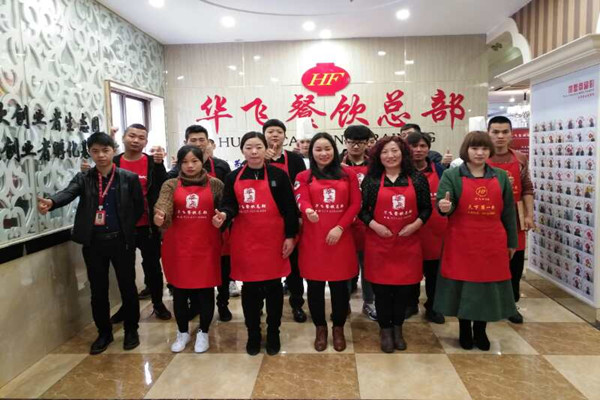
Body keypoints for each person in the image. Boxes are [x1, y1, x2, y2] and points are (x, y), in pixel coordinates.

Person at [37, 132, 144, 354]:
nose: (101, 155)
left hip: (121, 242)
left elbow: (138, 208)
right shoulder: (83, 178)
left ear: (113, 151)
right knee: (98, 290)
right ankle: (104, 333)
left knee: (128, 287)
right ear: (90, 153)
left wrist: (126, 229)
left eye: (105, 150)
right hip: (94, 243)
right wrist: (52, 202)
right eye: (95, 151)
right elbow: (68, 193)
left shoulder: (128, 178)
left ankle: (131, 330)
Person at [215, 131, 299, 356]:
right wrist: (224, 215)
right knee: (250, 290)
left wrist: (290, 236)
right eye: (249, 147)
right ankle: (253, 333)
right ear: (242, 150)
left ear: (265, 149)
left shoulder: (278, 175)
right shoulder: (233, 177)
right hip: (245, 242)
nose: (254, 152)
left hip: (273, 241)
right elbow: (229, 205)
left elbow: (290, 208)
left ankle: (273, 332)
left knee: (274, 289)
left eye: (258, 147)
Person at [434, 131, 518, 351]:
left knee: (486, 288)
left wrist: (512, 242)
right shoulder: (452, 175)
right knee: (463, 287)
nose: (479, 153)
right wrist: (444, 207)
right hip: (461, 240)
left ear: (490, 151)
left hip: (492, 240)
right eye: (474, 148)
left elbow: (508, 212)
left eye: (484, 148)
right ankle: (464, 329)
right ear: (466, 150)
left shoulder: (500, 177)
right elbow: (445, 202)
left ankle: (480, 330)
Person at [359, 136, 432, 353]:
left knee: (403, 291)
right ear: (378, 156)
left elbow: (426, 208)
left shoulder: (417, 179)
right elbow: (362, 210)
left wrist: (415, 225)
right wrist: (375, 225)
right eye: (385, 152)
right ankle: (385, 330)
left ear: (403, 153)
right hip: (379, 243)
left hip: (407, 243)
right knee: (381, 291)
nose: (390, 156)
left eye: (394, 151)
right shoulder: (372, 180)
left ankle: (398, 328)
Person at [295, 132, 361, 352]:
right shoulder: (303, 176)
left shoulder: (348, 174)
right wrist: (308, 210)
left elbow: (355, 204)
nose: (323, 153)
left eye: (327, 148)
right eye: (318, 149)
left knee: (340, 288)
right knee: (314, 288)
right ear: (311, 152)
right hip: (314, 239)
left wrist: (340, 227)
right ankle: (320, 328)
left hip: (340, 239)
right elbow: (301, 198)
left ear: (334, 149)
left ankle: (338, 328)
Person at [154, 145, 223, 353]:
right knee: (180, 291)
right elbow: (164, 204)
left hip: (207, 246)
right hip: (179, 247)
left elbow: (225, 209)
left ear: (203, 161)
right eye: (185, 162)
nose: (190, 166)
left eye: (194, 161)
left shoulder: (216, 184)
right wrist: (161, 216)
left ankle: (203, 332)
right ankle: (182, 332)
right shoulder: (170, 184)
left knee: (206, 291)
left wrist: (222, 217)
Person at [168, 125, 235, 321]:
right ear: (185, 142)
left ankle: (223, 304)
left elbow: (228, 198)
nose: (198, 143)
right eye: (193, 140)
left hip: (217, 228)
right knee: (194, 271)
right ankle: (196, 305)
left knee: (221, 269)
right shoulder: (176, 171)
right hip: (189, 232)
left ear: (208, 142)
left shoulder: (221, 166)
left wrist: (224, 217)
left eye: (201, 140)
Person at [106, 124, 172, 323]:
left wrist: (160, 165)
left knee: (153, 267)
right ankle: (127, 307)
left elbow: (163, 188)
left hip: (148, 225)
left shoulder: (152, 162)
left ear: (146, 142)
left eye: (141, 137)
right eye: (132, 136)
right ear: (124, 138)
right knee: (124, 270)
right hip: (121, 227)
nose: (136, 140)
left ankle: (158, 304)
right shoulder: (114, 162)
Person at [487, 116, 535, 324]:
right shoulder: (481, 157)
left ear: (511, 134)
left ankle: (511, 304)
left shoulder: (520, 158)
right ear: (488, 133)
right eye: (495, 132)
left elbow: (527, 188)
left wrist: (529, 215)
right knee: (489, 262)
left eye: (504, 132)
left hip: (515, 218)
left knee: (515, 264)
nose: (500, 136)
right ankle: (489, 303)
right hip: (488, 217)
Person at [262, 119, 308, 323]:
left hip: (290, 216)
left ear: (285, 136)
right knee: (266, 263)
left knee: (294, 263)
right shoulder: (257, 158)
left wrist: (300, 216)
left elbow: (302, 186)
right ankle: (264, 304)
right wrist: (263, 162)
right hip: (265, 220)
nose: (275, 135)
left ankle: (297, 304)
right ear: (264, 135)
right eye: (270, 131)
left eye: (279, 131)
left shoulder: (295, 159)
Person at [406, 131, 446, 324]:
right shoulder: (401, 171)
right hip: (409, 229)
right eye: (414, 146)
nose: (418, 150)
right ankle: (410, 303)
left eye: (423, 146)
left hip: (435, 230)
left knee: (434, 272)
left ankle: (433, 306)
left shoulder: (440, 170)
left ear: (429, 148)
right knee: (410, 270)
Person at [341, 125, 377, 321]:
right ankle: (343, 302)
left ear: (367, 143)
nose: (356, 146)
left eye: (360, 142)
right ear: (345, 142)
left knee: (368, 266)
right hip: (344, 224)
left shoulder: (376, 166)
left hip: (369, 224)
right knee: (345, 266)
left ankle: (369, 302)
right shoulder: (336, 166)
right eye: (352, 142)